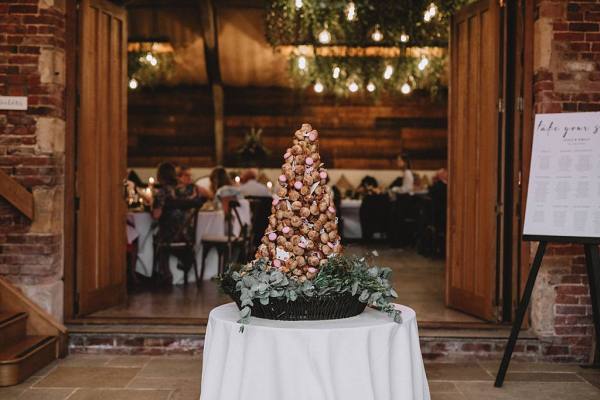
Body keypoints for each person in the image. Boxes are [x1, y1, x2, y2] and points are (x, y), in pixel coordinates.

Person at [152, 162, 200, 283]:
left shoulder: (162, 192)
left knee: (156, 237)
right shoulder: (184, 190)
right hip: (186, 235)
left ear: (160, 176)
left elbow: (156, 215)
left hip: (169, 235)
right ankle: (185, 264)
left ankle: (165, 273)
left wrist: (151, 205)